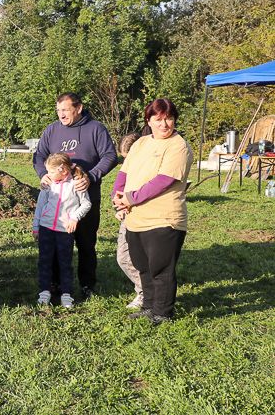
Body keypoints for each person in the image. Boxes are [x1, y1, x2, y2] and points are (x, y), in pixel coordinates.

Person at [111, 99, 192, 325]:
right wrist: (117, 197)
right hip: (136, 218)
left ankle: (163, 313)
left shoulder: (179, 146)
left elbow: (163, 181)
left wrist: (131, 197)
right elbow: (124, 173)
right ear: (149, 121)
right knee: (143, 267)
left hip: (164, 218)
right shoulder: (141, 143)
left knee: (161, 268)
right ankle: (149, 306)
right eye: (158, 119)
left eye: (168, 118)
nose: (164, 124)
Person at [32, 93, 118, 299]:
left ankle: (87, 285)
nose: (61, 114)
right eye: (58, 110)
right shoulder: (52, 130)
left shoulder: (95, 129)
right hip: (57, 205)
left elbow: (110, 156)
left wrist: (92, 175)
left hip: (84, 200)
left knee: (86, 245)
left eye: (65, 110)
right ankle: (53, 284)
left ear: (78, 108)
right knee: (54, 245)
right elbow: (39, 156)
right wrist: (44, 175)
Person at [32, 153, 92, 308]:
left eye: (51, 172)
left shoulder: (76, 183)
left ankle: (67, 294)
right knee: (45, 261)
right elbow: (40, 205)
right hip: (46, 228)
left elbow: (86, 204)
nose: (48, 175)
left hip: (64, 230)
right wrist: (36, 226)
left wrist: (74, 218)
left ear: (64, 170)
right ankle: (44, 291)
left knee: (65, 263)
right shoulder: (48, 184)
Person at [115, 133, 144, 309]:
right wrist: (118, 206)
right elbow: (118, 188)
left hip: (148, 216)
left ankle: (146, 293)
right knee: (124, 257)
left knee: (146, 259)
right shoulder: (126, 168)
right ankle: (145, 290)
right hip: (128, 216)